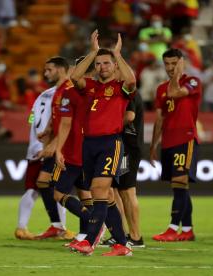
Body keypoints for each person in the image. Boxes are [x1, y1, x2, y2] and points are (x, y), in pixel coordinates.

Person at [69, 30, 136, 256]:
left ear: (114, 65)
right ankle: (120, 244)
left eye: (107, 63)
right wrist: (93, 52)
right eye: (98, 64)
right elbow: (74, 77)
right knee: (104, 196)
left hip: (110, 143)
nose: (102, 67)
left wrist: (118, 54)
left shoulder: (120, 88)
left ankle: (89, 241)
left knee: (99, 189)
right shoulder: (90, 86)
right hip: (89, 144)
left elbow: (131, 80)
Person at [149, 48, 201, 242]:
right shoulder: (160, 89)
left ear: (181, 62)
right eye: (167, 64)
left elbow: (176, 92)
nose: (170, 68)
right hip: (168, 142)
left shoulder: (192, 82)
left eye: (174, 64)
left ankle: (172, 228)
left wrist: (178, 75)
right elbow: (159, 119)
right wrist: (153, 145)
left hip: (185, 139)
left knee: (179, 183)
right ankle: (187, 229)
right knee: (179, 187)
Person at [14, 84, 67, 240]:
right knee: (56, 189)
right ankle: (60, 228)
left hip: (34, 145)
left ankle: (21, 227)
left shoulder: (41, 95)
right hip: (48, 147)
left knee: (32, 188)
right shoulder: (62, 93)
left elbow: (32, 118)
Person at [53, 56, 94, 246]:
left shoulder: (70, 93)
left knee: (58, 194)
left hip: (73, 152)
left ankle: (91, 220)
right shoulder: (98, 92)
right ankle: (84, 235)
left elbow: (66, 123)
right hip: (91, 150)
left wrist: (58, 149)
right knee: (84, 193)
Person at [33, 56, 74, 240]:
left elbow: (69, 123)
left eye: (49, 69)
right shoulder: (59, 90)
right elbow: (57, 116)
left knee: (76, 190)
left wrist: (53, 144)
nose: (45, 73)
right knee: (44, 182)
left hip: (67, 146)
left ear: (60, 69)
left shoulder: (69, 89)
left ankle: (93, 222)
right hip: (59, 143)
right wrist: (48, 129)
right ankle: (57, 225)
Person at [103, 92, 145, 248]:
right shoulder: (118, 89)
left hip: (129, 145)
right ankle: (119, 234)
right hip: (119, 145)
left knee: (127, 191)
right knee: (114, 190)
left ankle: (135, 236)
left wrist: (107, 127)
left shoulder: (128, 90)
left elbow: (129, 116)